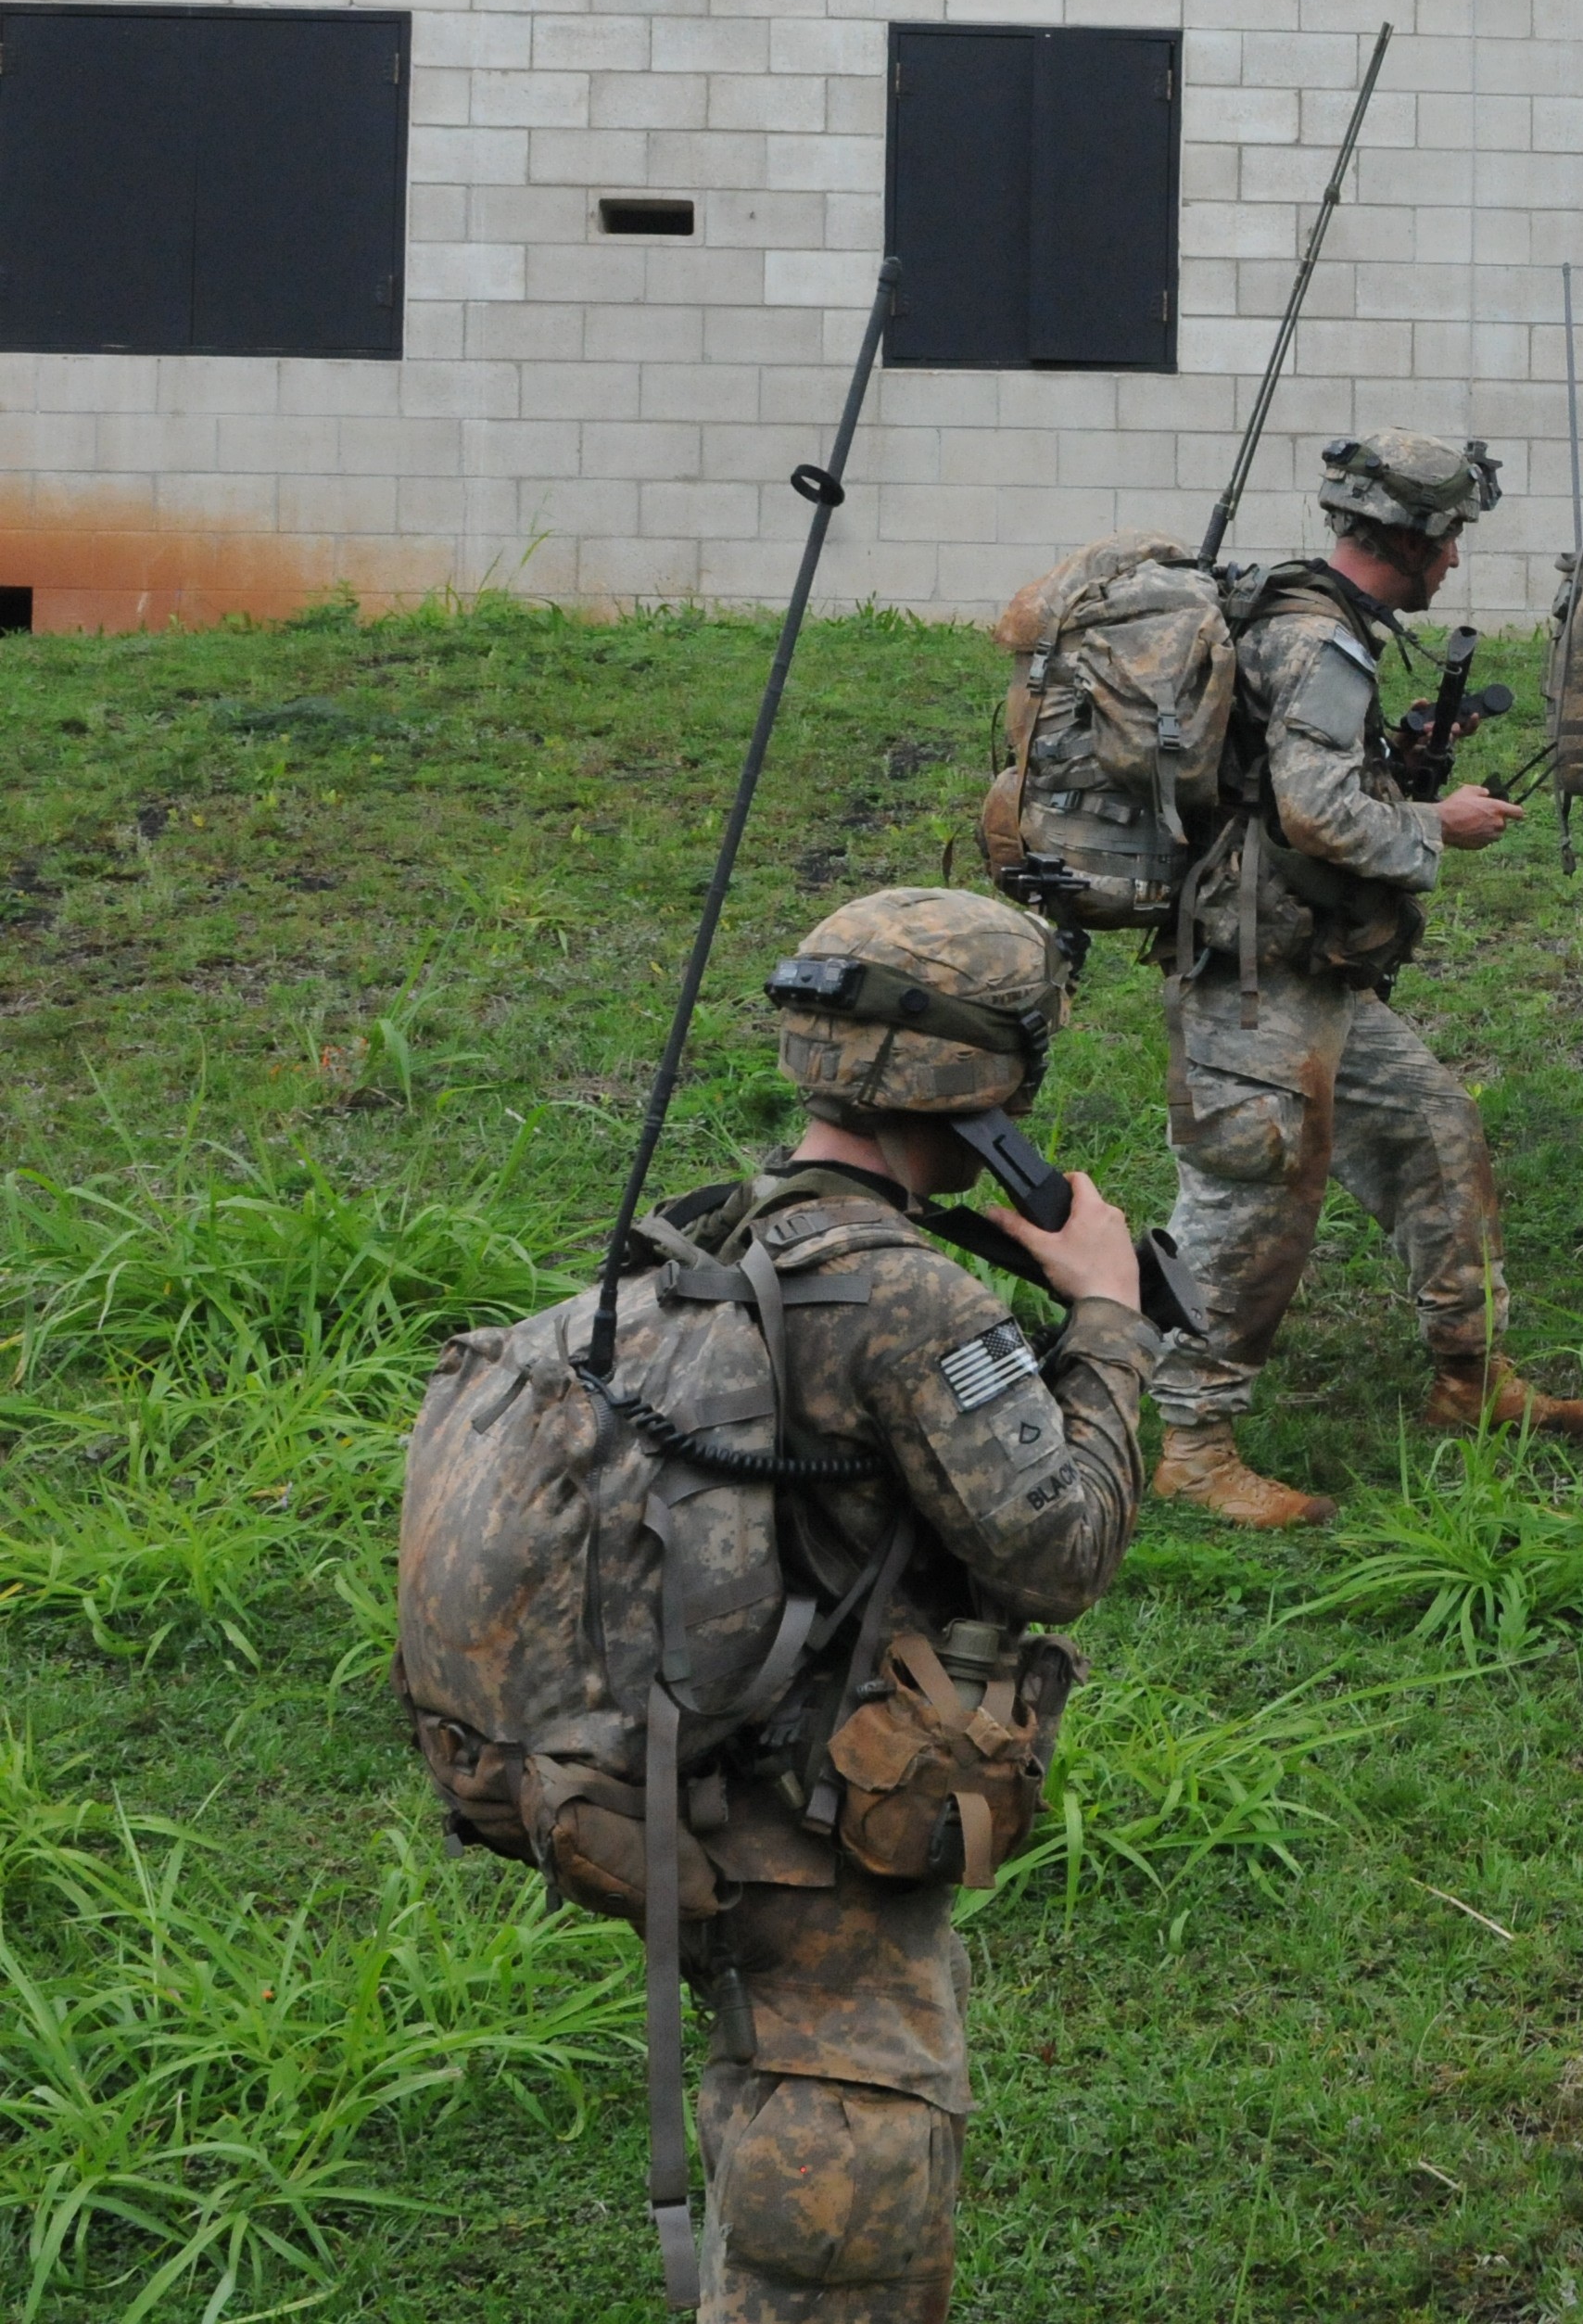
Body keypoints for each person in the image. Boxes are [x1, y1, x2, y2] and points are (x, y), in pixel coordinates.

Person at [399, 887, 1152, 2322]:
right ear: (995, 1080)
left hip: (660, 1795)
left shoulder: (705, 1236)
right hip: (809, 1836)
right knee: (845, 2208)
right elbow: (1060, 1552)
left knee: (765, 2099)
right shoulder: (909, 1301)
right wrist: (1107, 1318)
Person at [1148, 429, 1583, 1533]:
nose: (1453, 564)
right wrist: (1436, 823)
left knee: (1434, 1131)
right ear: (1415, 537)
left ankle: (1470, 1378)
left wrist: (1398, 767)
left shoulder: (1303, 619)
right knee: (1250, 1197)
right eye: (1450, 542)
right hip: (1256, 975)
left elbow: (1288, 783)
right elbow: (1315, 813)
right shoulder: (1322, 642)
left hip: (1309, 966)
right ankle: (1190, 1444)